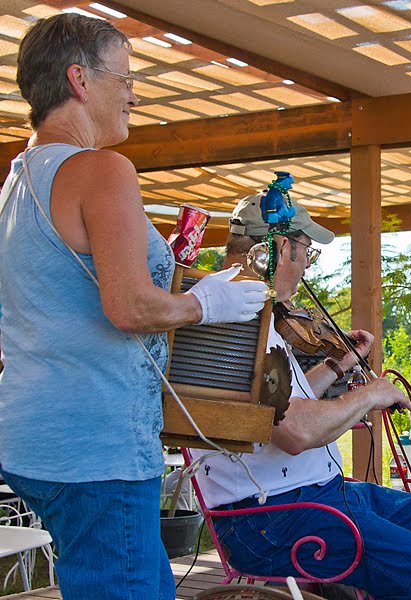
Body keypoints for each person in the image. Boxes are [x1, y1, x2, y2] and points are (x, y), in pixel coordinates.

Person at [0, 14, 270, 599]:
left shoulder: (16, 182)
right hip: (97, 448)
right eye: (123, 77)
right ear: (79, 80)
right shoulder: (100, 169)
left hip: (34, 437)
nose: (133, 93)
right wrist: (205, 302)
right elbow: (127, 307)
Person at [190, 194, 411, 600]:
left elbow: (278, 401)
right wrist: (369, 395)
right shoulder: (233, 318)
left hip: (314, 493)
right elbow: (293, 433)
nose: (306, 265)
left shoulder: (253, 308)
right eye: (306, 252)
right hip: (269, 518)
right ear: (278, 248)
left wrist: (339, 365)